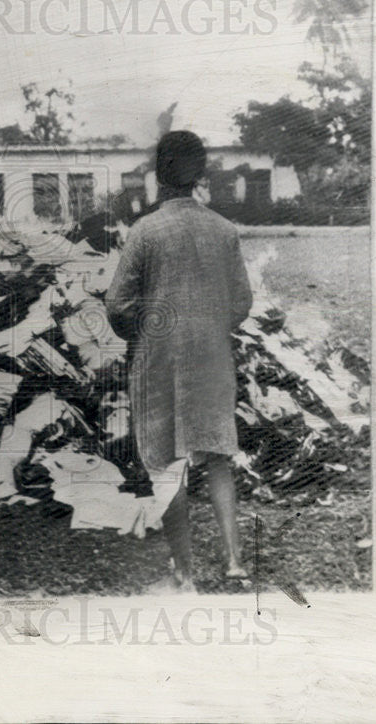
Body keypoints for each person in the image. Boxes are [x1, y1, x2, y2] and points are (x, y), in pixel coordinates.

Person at [105, 130, 253, 589]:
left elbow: (117, 305)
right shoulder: (224, 230)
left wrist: (144, 331)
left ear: (158, 176)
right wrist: (209, 327)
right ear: (200, 176)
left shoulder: (145, 232)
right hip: (211, 357)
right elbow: (241, 303)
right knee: (218, 454)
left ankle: (185, 574)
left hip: (160, 359)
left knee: (168, 464)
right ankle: (233, 560)